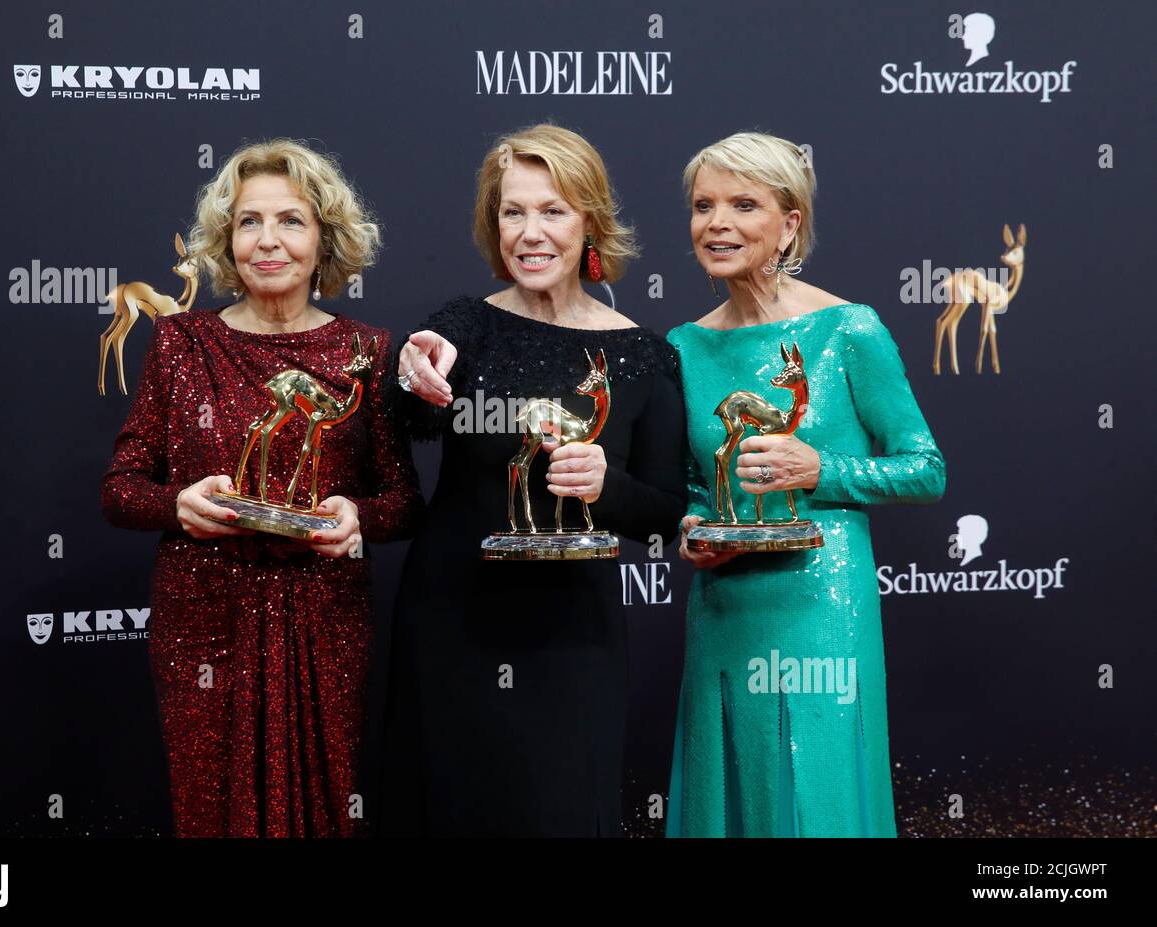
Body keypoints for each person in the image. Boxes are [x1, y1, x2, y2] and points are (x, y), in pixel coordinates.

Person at [101, 139, 422, 837]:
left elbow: (403, 499)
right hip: (204, 617)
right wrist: (177, 505)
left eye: (290, 221)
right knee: (210, 808)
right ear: (226, 238)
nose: (267, 240)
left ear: (325, 238)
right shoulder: (181, 343)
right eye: (249, 222)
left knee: (322, 809)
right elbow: (121, 487)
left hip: (324, 621)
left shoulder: (369, 351)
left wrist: (356, 517)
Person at [379, 124, 687, 836]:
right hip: (452, 626)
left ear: (590, 221)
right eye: (512, 211)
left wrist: (604, 484)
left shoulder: (644, 355)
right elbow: (411, 407)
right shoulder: (464, 326)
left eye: (553, 210)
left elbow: (665, 515)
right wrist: (413, 367)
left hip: (572, 642)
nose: (530, 231)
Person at [667, 131, 946, 837]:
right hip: (726, 608)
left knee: (817, 791)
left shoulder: (850, 329)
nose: (717, 223)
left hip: (823, 603)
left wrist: (821, 470)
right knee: (733, 785)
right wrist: (692, 529)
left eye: (743, 204)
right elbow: (692, 488)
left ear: (790, 223)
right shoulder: (681, 347)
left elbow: (925, 467)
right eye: (704, 205)